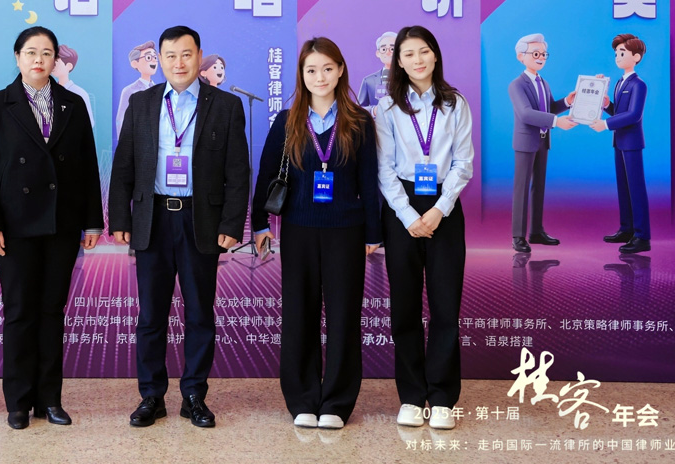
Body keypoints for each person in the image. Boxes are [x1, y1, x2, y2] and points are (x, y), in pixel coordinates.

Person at [109, 25, 249, 429]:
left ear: (199, 56)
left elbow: (238, 171)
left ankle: (194, 395)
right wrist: (120, 218)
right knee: (151, 314)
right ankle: (151, 396)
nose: (178, 63)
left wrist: (231, 223)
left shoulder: (225, 105)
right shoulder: (141, 102)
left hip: (200, 220)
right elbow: (124, 164)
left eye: (186, 54)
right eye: (170, 55)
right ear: (161, 60)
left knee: (200, 313)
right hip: (152, 218)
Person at [0, 26, 103, 430]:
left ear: (55, 60)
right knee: (19, 312)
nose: (39, 60)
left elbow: (87, 165)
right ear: (17, 57)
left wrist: (92, 220)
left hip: (61, 223)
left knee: (51, 311)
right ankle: (18, 402)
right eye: (31, 52)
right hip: (13, 226)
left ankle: (50, 400)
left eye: (46, 53)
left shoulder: (72, 104)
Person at [251, 37, 381, 430]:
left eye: (327, 68)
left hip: (346, 230)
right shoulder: (287, 121)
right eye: (311, 70)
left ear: (340, 70)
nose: (319, 77)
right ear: (301, 75)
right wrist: (259, 224)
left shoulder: (359, 121)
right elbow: (267, 174)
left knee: (343, 315)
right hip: (299, 229)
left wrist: (373, 233)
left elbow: (369, 181)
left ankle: (337, 402)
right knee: (299, 313)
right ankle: (303, 399)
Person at [374, 25, 473, 431]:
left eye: (424, 51)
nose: (417, 59)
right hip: (402, 209)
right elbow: (384, 169)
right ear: (398, 61)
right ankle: (412, 396)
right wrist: (408, 215)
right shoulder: (386, 108)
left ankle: (443, 397)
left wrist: (439, 210)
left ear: (435, 55)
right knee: (405, 308)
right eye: (408, 53)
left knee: (446, 307)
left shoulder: (455, 103)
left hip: (444, 208)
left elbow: (463, 162)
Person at [508, 34, 576, 253]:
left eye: (544, 54)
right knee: (522, 188)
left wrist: (567, 102)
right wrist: (556, 122)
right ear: (521, 56)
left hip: (543, 141)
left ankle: (536, 231)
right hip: (526, 142)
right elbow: (526, 114)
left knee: (539, 187)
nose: (540, 58)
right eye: (536, 53)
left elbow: (549, 108)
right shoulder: (517, 85)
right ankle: (518, 236)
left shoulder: (543, 83)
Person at [590, 34, 650, 254]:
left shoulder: (639, 85)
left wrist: (605, 124)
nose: (617, 56)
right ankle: (626, 229)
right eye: (616, 53)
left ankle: (642, 236)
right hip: (619, 141)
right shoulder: (619, 82)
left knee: (636, 188)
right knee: (623, 188)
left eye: (622, 52)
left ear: (636, 57)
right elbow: (619, 112)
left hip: (632, 143)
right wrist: (607, 104)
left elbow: (634, 115)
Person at [115, 41, 157, 136]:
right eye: (148, 57)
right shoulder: (129, 90)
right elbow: (120, 120)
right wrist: (123, 142)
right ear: (134, 63)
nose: (154, 61)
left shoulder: (159, 90)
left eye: (155, 57)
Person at [52, 44, 94, 128]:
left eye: (56, 63)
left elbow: (89, 122)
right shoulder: (49, 91)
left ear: (69, 66)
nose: (53, 66)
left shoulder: (80, 93)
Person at [357, 32, 396, 114]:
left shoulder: (409, 78)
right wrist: (374, 110)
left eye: (392, 49)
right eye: (384, 49)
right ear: (378, 53)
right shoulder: (369, 81)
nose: (388, 52)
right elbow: (358, 110)